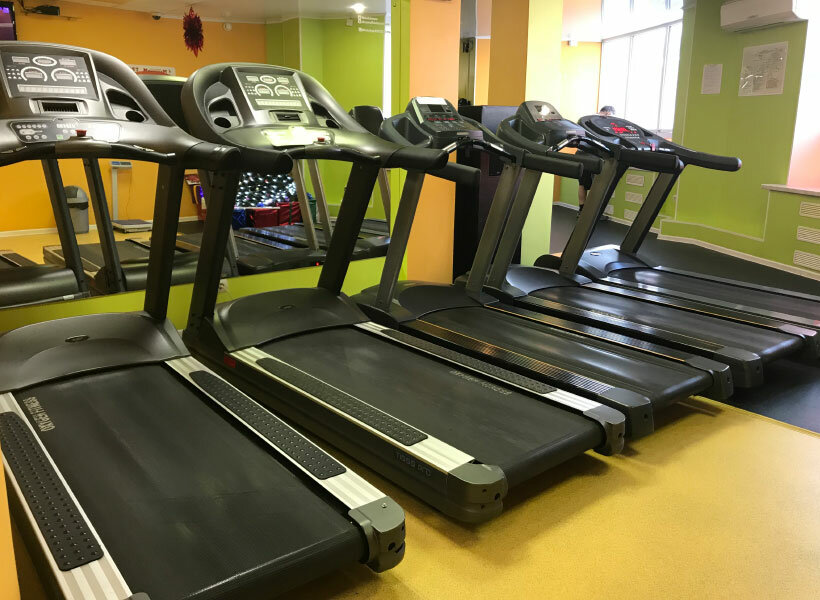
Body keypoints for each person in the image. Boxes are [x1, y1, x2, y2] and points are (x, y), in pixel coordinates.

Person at [578, 105, 615, 216]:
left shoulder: (587, 121)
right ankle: (588, 212)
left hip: (586, 155)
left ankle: (584, 212)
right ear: (606, 113)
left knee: (584, 184)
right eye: (609, 116)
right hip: (588, 156)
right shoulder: (595, 122)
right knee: (591, 185)